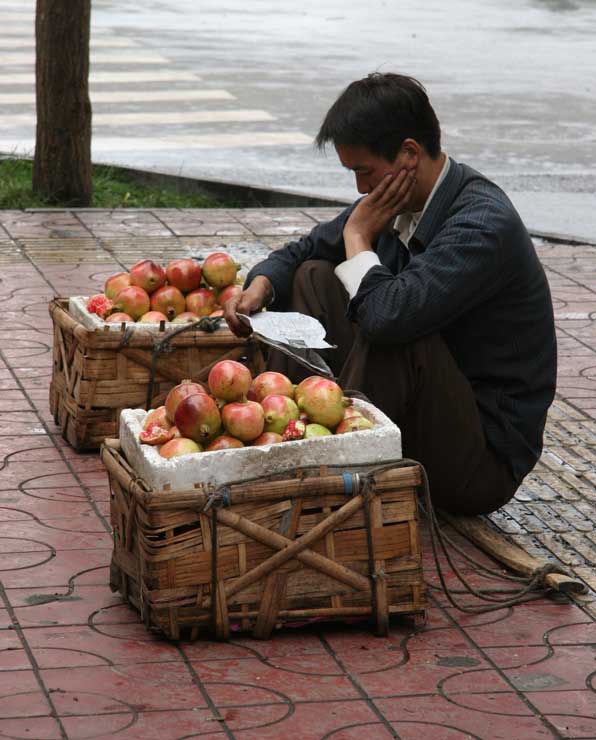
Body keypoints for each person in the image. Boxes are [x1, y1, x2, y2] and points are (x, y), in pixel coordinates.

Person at [224, 72, 557, 516]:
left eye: (364, 171)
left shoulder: (481, 224)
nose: (361, 189)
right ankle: (288, 434)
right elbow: (305, 250)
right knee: (313, 276)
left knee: (393, 326)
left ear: (409, 155)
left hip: (478, 462)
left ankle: (340, 465)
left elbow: (388, 317)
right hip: (426, 416)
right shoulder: (397, 197)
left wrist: (359, 234)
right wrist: (262, 283)